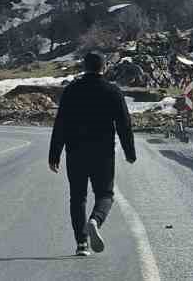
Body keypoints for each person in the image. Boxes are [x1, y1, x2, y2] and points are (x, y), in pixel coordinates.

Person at [48, 52, 136, 257]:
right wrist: (129, 152)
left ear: (84, 67)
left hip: (75, 152)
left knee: (77, 197)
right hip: (103, 153)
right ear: (103, 68)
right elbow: (124, 125)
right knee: (105, 194)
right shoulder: (112, 91)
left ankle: (81, 244)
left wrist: (54, 155)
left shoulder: (71, 90)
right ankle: (95, 220)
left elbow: (60, 124)